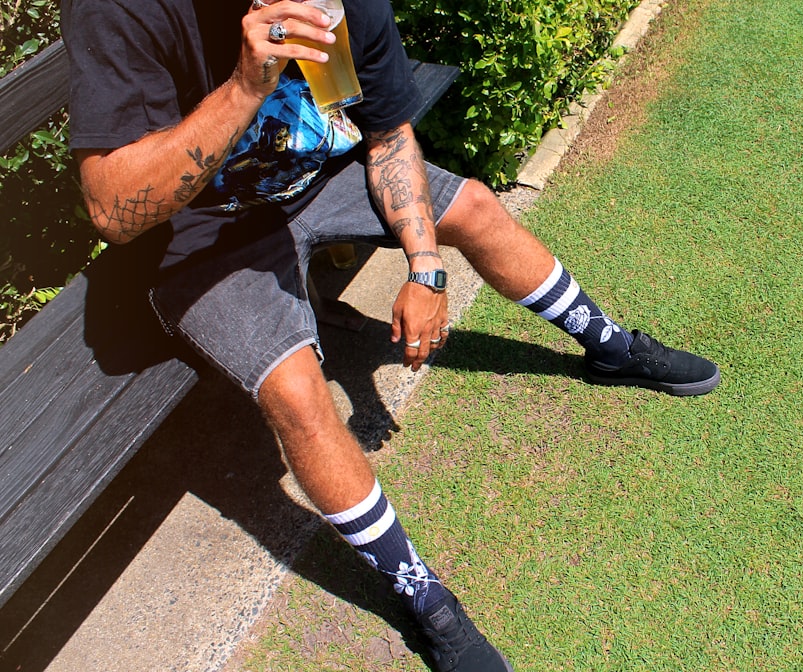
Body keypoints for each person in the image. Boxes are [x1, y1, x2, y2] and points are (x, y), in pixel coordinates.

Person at [61, 0, 720, 669]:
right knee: (297, 394)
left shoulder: (333, 4)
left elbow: (386, 134)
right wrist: (244, 87)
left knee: (476, 207)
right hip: (198, 237)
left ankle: (608, 345)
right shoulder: (122, 9)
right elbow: (113, 212)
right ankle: (422, 595)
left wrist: (425, 265)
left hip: (316, 176)